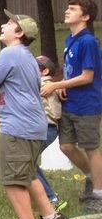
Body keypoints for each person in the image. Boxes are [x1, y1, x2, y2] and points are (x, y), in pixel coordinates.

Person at [0, 11, 70, 219]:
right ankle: (51, 217)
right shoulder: (27, 56)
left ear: (19, 33)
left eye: (10, 23)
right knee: (28, 172)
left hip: (18, 125)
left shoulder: (9, 53)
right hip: (34, 123)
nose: (3, 25)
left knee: (13, 177)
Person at [41, 0, 102, 212]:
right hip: (71, 103)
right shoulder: (70, 39)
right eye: (67, 7)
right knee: (66, 146)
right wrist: (65, 84)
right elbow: (73, 70)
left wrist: (58, 84)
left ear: (85, 17)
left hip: (87, 104)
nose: (67, 11)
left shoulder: (88, 42)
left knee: (91, 148)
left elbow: (87, 77)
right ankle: (91, 178)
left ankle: (98, 194)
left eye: (72, 9)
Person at [34, 56, 65, 210]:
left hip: (47, 129)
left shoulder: (44, 84)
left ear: (45, 71)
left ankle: (51, 198)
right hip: (47, 129)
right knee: (29, 162)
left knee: (26, 161)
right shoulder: (49, 84)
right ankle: (49, 197)